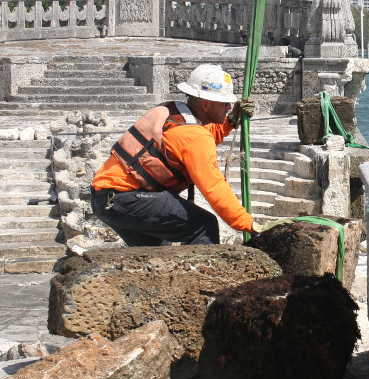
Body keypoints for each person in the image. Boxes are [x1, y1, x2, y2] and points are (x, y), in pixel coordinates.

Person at [90, 63, 254, 246]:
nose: (229, 107)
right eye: (225, 104)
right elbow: (214, 186)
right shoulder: (193, 136)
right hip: (125, 198)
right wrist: (247, 223)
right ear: (207, 104)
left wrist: (230, 122)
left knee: (158, 254)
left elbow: (195, 141)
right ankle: (201, 274)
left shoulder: (176, 115)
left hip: (109, 199)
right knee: (203, 225)